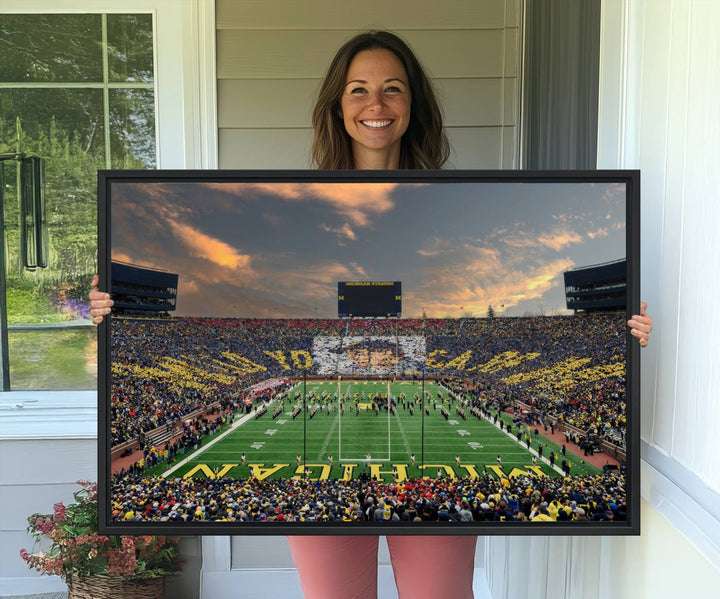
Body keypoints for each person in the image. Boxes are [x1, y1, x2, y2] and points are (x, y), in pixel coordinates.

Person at [89, 29, 653, 599]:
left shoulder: (452, 203)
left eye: (392, 89)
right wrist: (113, 317)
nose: (375, 105)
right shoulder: (301, 202)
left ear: (413, 105)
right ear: (338, 104)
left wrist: (617, 336)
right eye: (358, 89)